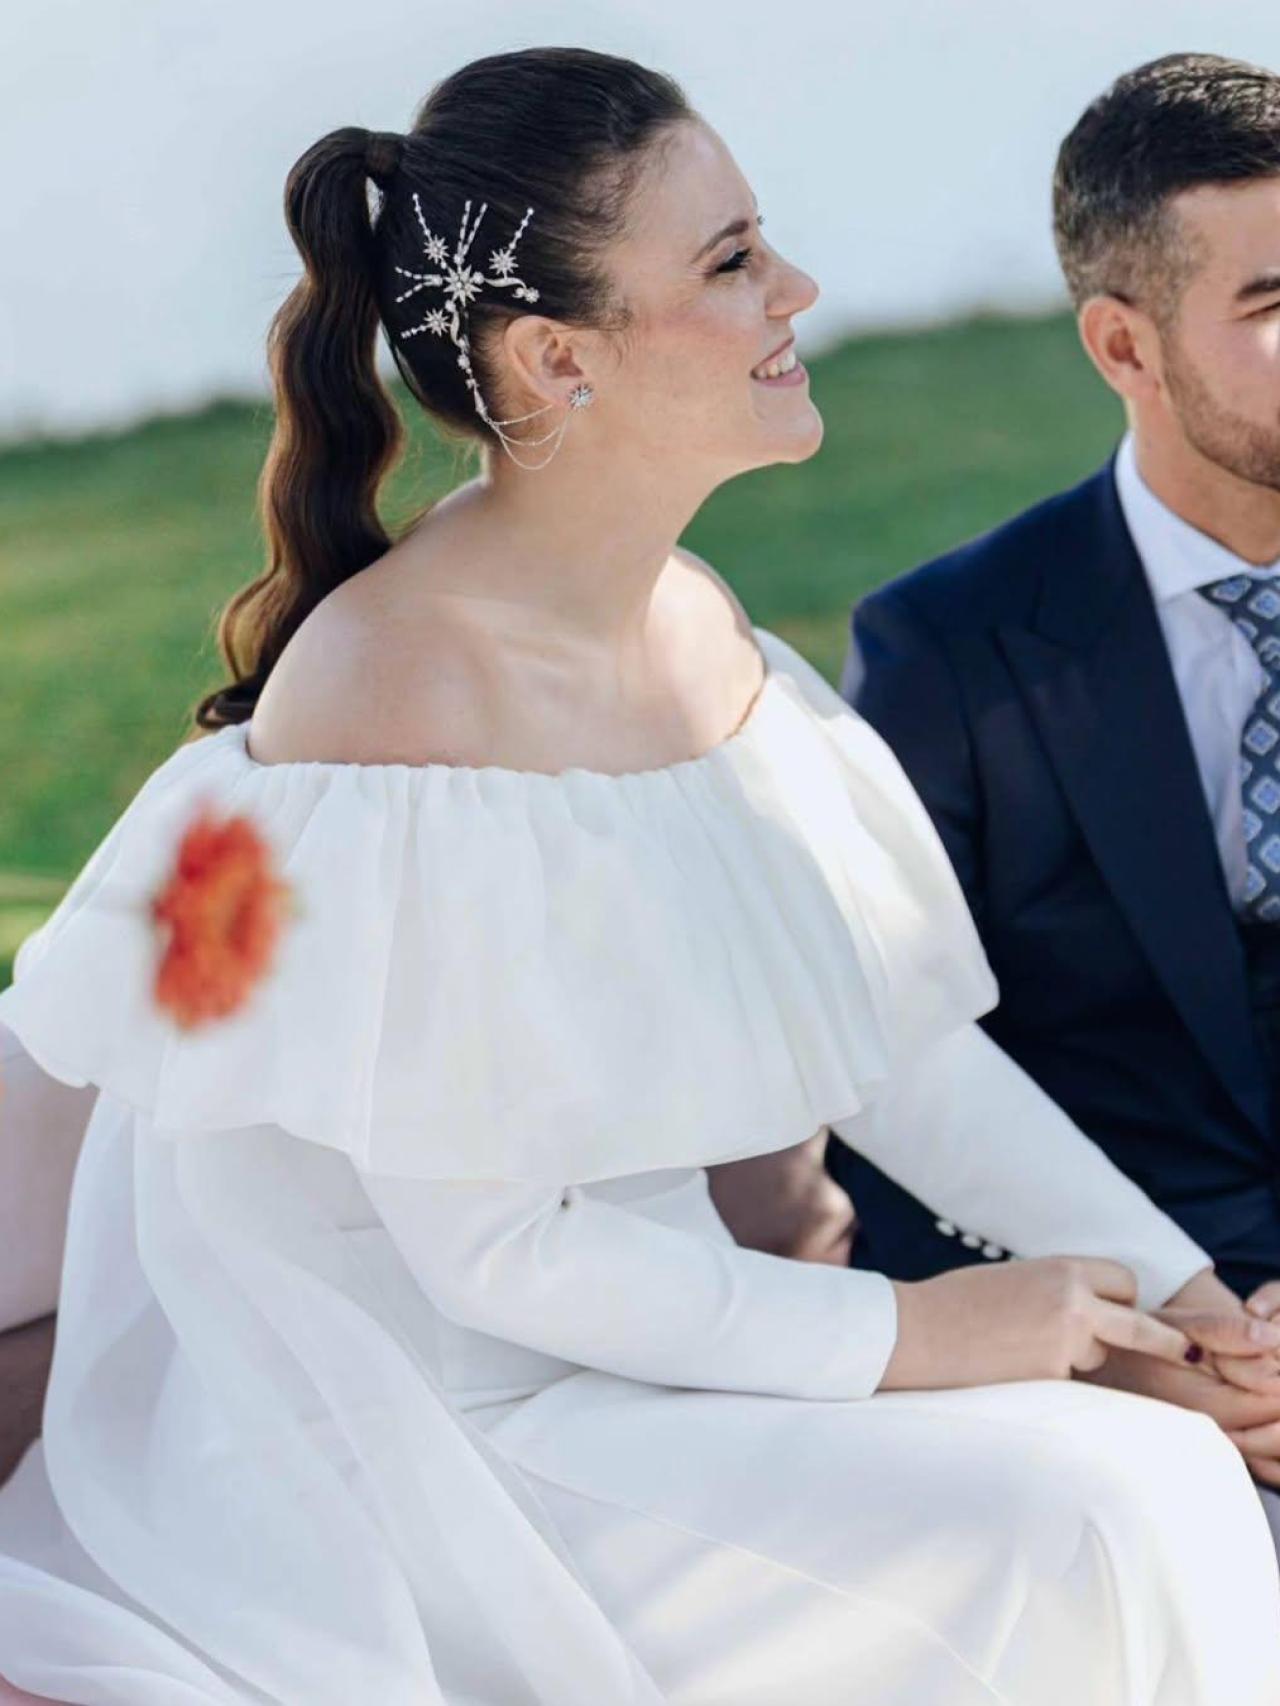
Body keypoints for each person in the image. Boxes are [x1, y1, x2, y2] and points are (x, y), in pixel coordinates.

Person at [1, 45, 1278, 1706]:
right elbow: (499, 1259)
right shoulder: (395, 691)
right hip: (443, 1439)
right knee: (1112, 1504)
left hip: (665, 1370)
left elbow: (896, 1046)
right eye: (734, 260)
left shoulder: (695, 627)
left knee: (1161, 1472)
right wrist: (929, 1333)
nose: (796, 288)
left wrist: (1193, 1310)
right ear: (554, 355)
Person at [836, 52, 1280, 1546]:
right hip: (1136, 1371)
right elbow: (890, 1083)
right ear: (1123, 345)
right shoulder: (948, 651)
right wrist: (1150, 1353)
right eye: (1278, 308)